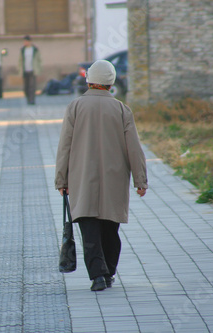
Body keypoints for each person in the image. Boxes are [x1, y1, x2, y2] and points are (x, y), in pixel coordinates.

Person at [55, 60, 148, 292]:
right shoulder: (121, 109)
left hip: (82, 180)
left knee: (89, 230)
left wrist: (61, 180)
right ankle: (109, 273)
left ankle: (98, 275)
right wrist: (140, 180)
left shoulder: (75, 107)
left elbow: (64, 146)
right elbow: (133, 148)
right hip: (114, 181)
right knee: (110, 228)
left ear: (89, 80)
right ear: (110, 83)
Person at [18, 35, 41, 105]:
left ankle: (32, 100)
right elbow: (20, 61)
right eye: (24, 41)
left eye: (26, 41)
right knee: (26, 87)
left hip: (33, 70)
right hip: (25, 70)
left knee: (32, 86)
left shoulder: (34, 50)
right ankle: (28, 98)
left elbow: (39, 60)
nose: (25, 43)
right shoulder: (23, 50)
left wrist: (38, 69)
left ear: (29, 41)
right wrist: (20, 70)